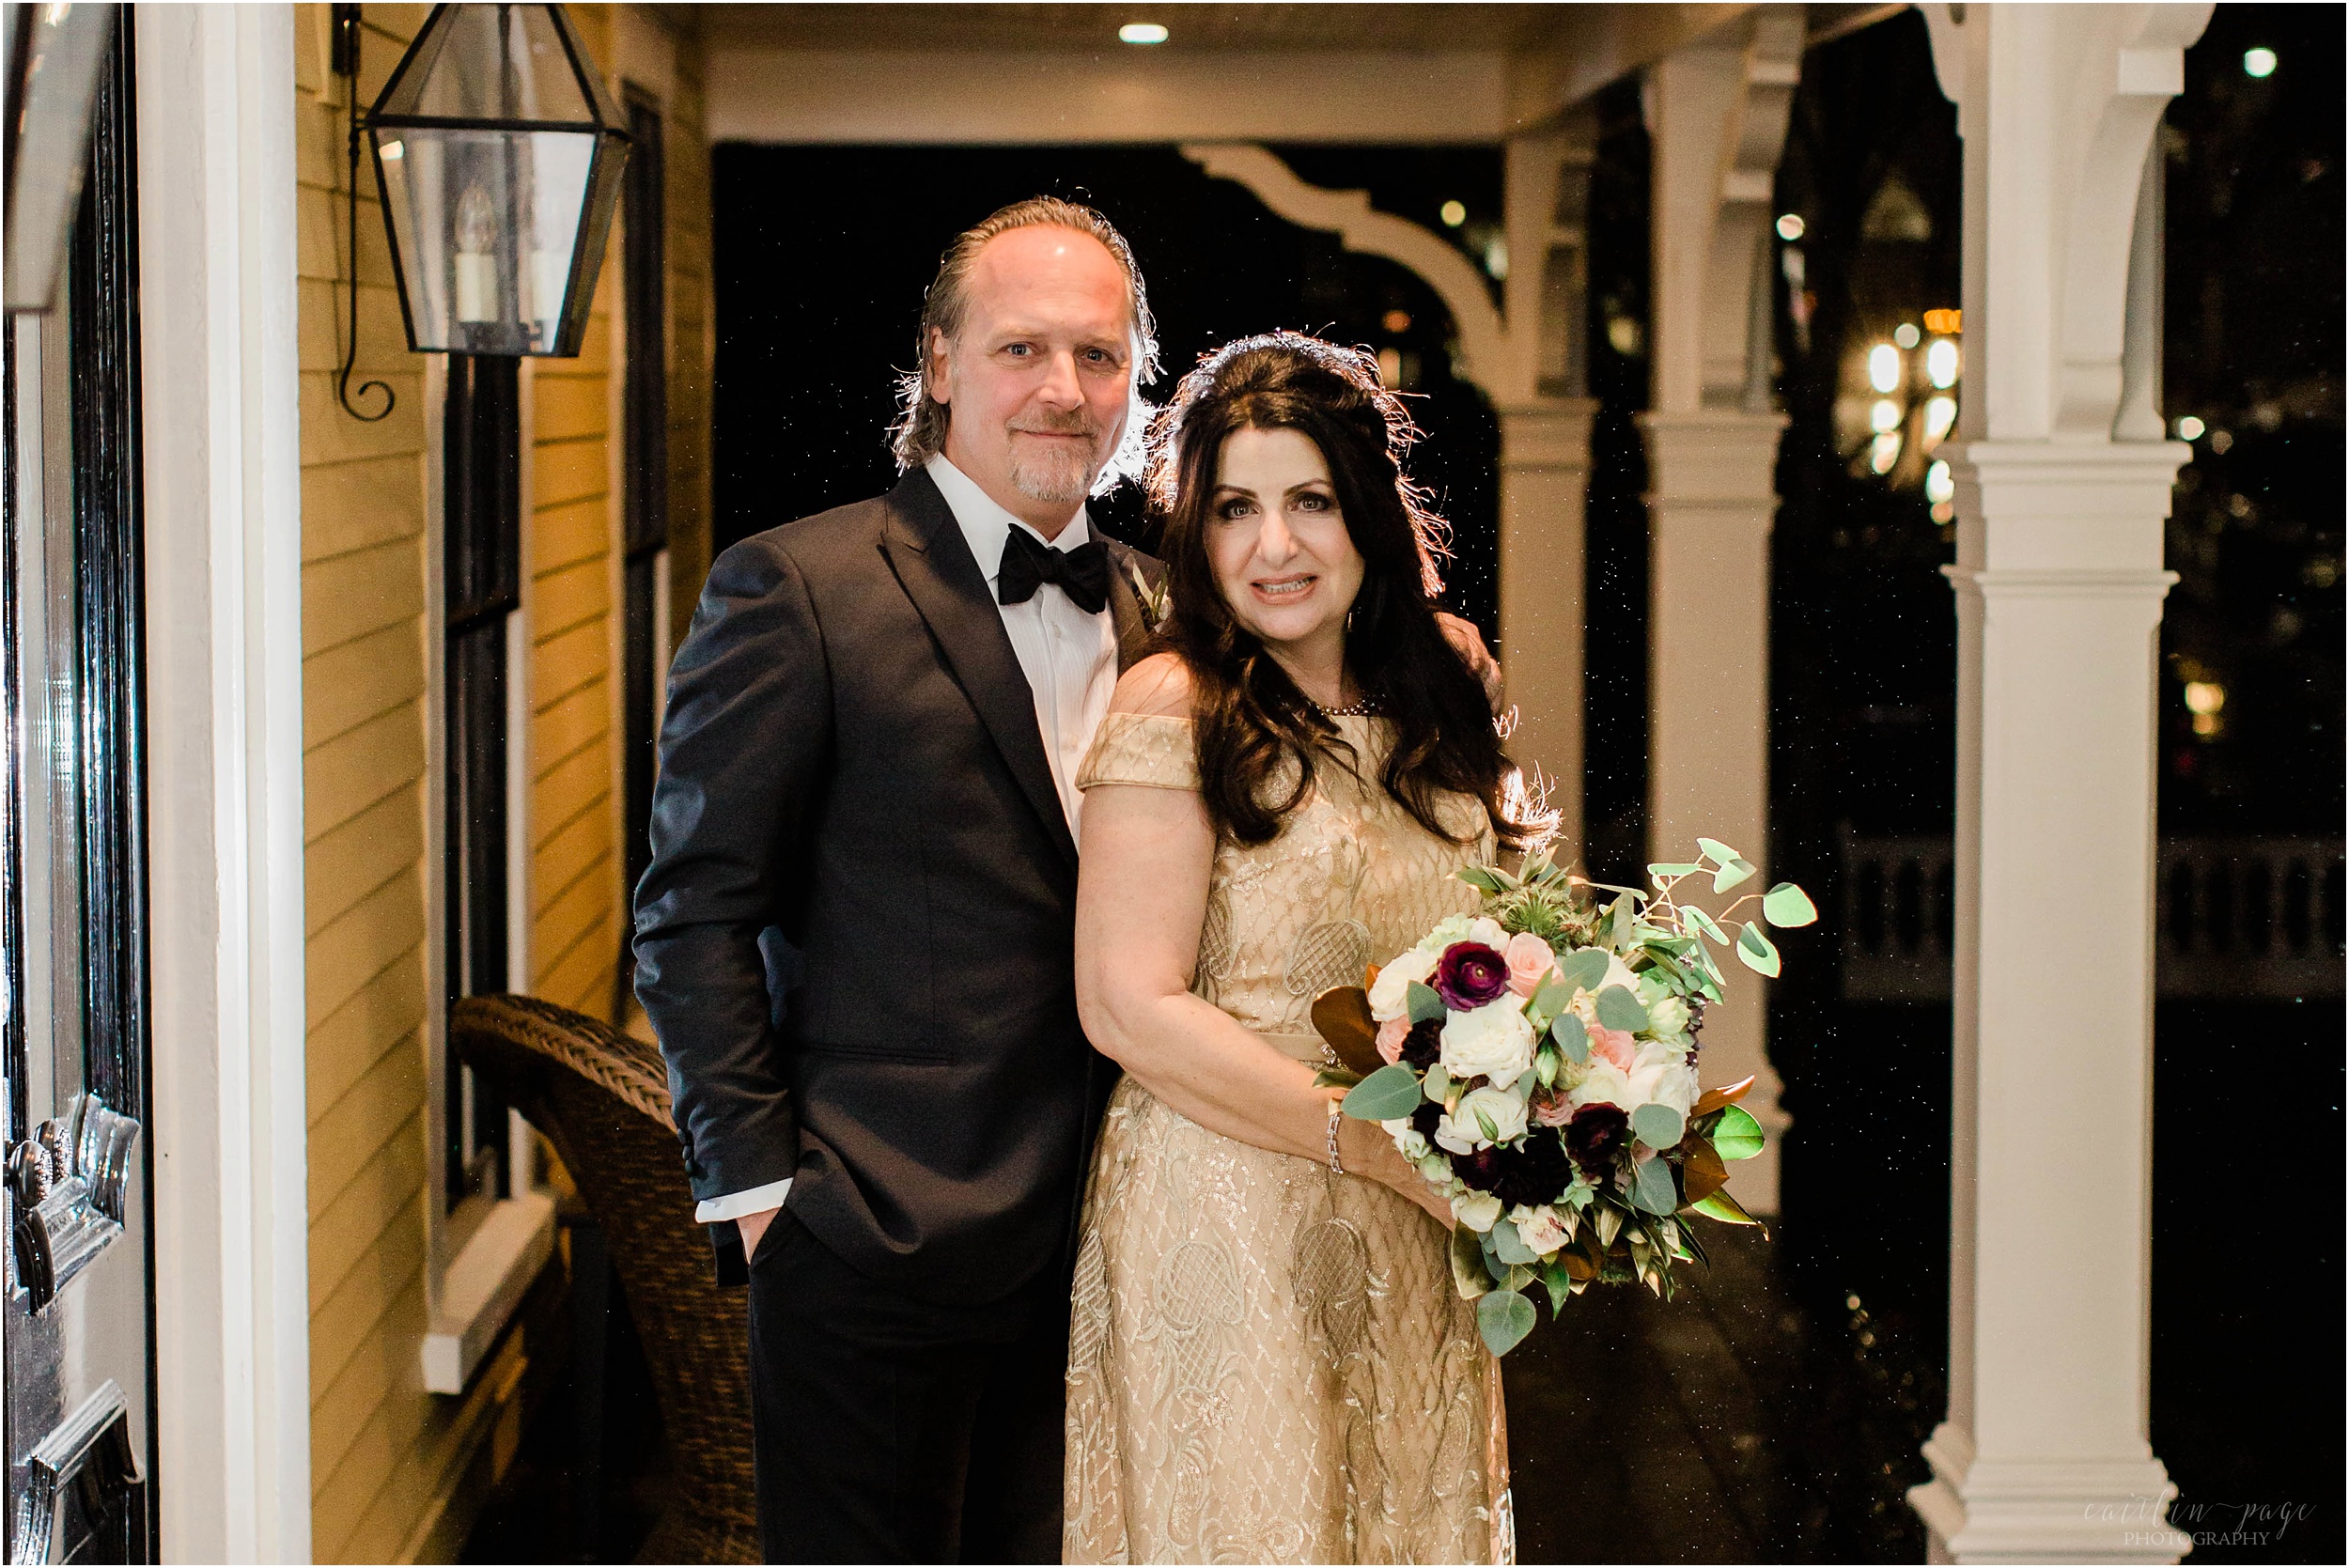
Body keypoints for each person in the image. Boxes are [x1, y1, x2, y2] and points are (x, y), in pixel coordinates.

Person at [636, 197, 1509, 1561]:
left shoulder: (1184, 607)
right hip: (881, 1250)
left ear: (1136, 382)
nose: (1063, 389)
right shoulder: (796, 590)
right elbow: (690, 913)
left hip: (1136, 1255)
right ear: (936, 362)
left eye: (1099, 357)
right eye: (1021, 349)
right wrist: (766, 1206)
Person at [1064, 333, 1535, 1565]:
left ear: (1367, 512)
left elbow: (1512, 942)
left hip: (1418, 1223)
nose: (1276, 546)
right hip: (1228, 1214)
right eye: (1235, 509)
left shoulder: (1449, 677)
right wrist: (1372, 1141)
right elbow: (1126, 1004)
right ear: (1197, 538)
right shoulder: (1177, 703)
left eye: (1310, 501)